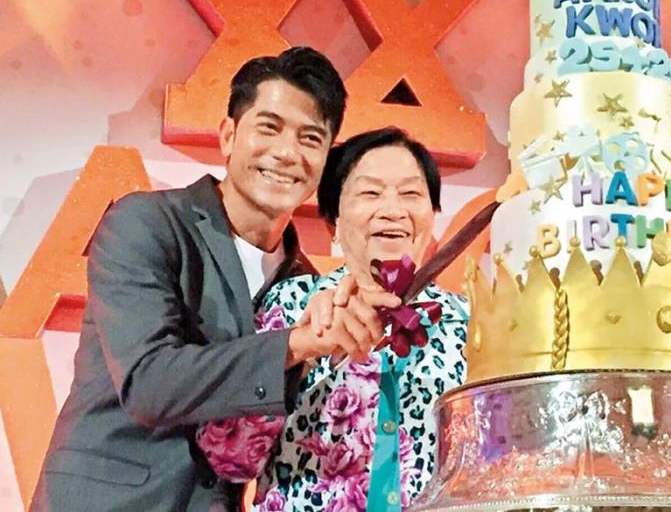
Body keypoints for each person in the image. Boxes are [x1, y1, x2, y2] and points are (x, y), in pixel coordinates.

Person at [31, 47, 399, 512]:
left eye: (310, 138)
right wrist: (296, 345)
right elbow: (148, 382)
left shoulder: (304, 286)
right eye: (269, 127)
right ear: (228, 135)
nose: (287, 153)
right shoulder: (147, 224)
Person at [196, 128, 470, 511]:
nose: (393, 210)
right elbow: (230, 456)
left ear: (433, 215)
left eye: (411, 193)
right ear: (333, 223)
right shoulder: (291, 304)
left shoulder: (466, 321)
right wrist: (302, 352)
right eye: (370, 193)